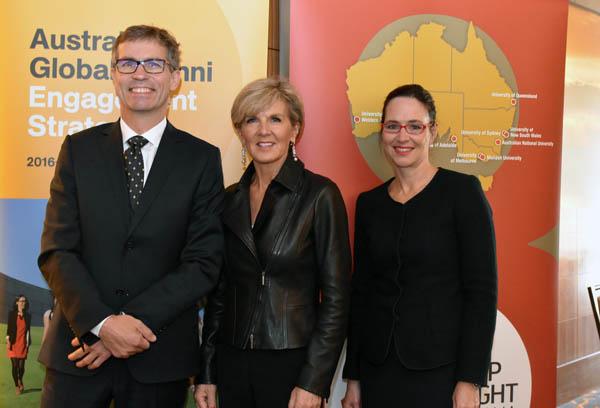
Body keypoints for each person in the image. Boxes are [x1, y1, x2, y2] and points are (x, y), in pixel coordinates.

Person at [38, 25, 224, 408]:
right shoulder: (78, 150)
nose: (140, 73)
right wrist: (103, 325)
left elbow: (203, 263)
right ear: (114, 75)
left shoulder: (201, 160)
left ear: (175, 78)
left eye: (154, 63)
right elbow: (57, 252)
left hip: (158, 361)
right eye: (128, 63)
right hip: (78, 354)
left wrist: (126, 326)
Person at [194, 77, 351, 408]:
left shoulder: (320, 195)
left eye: (275, 119)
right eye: (252, 119)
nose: (263, 130)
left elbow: (337, 299)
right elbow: (219, 295)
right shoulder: (228, 201)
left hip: (292, 365)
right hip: (232, 362)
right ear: (241, 132)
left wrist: (314, 380)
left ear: (295, 129)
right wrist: (207, 371)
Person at [341, 84, 497, 408]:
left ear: (432, 132)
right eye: (393, 126)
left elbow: (481, 293)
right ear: (382, 132)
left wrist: (469, 380)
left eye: (415, 126)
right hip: (377, 371)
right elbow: (362, 295)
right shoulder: (369, 204)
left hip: (439, 372)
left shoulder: (463, 193)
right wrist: (353, 378)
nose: (403, 137)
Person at [6, 294, 31, 395]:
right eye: (21, 301)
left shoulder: (28, 316)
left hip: (23, 344)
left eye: (24, 301)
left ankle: (20, 379)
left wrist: (28, 344)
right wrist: (8, 341)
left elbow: (28, 331)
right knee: (14, 366)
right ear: (17, 302)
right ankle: (17, 385)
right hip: (13, 343)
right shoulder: (12, 314)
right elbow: (8, 329)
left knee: (21, 367)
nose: (23, 303)